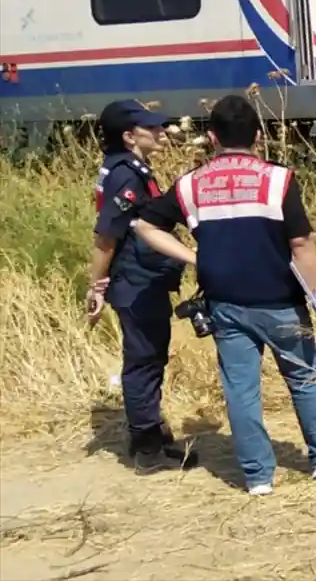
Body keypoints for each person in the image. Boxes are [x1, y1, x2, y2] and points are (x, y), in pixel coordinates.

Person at [132, 94, 316, 496]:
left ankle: (257, 477)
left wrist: (194, 257)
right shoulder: (278, 179)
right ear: (258, 135)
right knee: (304, 379)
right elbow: (301, 243)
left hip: (226, 304)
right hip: (281, 301)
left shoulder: (191, 183)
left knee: (241, 390)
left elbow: (145, 226)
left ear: (212, 137)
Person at [86, 100, 198, 471]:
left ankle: (152, 433)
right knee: (143, 358)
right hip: (134, 280)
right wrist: (96, 287)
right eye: (153, 128)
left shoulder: (128, 167)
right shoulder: (126, 175)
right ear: (130, 136)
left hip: (140, 278)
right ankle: (147, 447)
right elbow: (107, 237)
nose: (162, 131)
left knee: (150, 354)